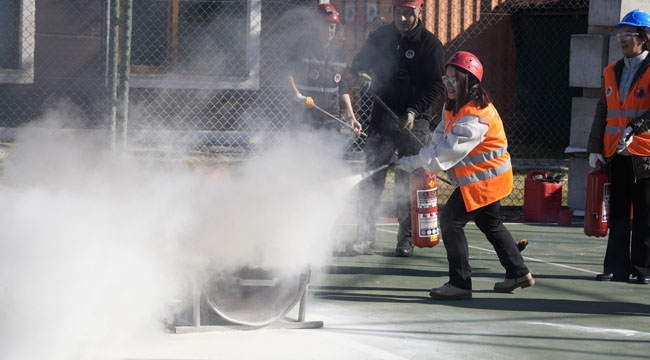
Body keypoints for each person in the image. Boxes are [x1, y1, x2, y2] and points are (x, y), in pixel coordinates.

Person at [394, 51, 535, 299]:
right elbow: (440, 135)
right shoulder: (454, 106)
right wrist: (421, 156)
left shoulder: (476, 115)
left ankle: (460, 284)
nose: (448, 84)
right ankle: (518, 272)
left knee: (451, 222)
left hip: (485, 181)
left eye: (454, 79)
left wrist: (416, 161)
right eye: (446, 78)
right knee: (490, 223)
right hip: (483, 179)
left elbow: (448, 153)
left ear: (470, 82)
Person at [346, 0, 446, 257]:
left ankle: (406, 240)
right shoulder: (380, 37)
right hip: (382, 120)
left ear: (419, 11)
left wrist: (413, 111)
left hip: (415, 123)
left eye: (408, 13)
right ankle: (364, 238)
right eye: (399, 13)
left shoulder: (430, 45)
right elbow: (357, 67)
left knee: (408, 181)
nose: (402, 19)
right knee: (371, 179)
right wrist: (363, 78)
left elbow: (437, 86)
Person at [587, 9, 650, 285]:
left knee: (645, 214)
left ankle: (644, 269)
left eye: (628, 34)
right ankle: (616, 267)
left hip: (645, 154)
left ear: (644, 38)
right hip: (616, 153)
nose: (622, 39)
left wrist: (634, 127)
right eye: (619, 34)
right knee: (619, 212)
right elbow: (603, 110)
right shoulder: (612, 71)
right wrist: (594, 147)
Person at [286, 3, 361, 135]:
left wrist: (351, 118)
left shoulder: (340, 54)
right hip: (305, 117)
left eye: (332, 27)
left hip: (331, 119)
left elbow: (342, 88)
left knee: (329, 154)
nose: (328, 31)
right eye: (324, 26)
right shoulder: (302, 49)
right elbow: (288, 74)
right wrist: (298, 96)